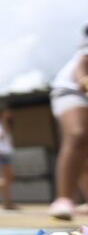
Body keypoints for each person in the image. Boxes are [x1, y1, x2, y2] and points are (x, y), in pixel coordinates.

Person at [47, 25, 88, 220]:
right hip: (71, 92)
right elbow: (81, 71)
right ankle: (63, 199)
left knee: (85, 152)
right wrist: (84, 81)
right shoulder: (85, 50)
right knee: (78, 135)